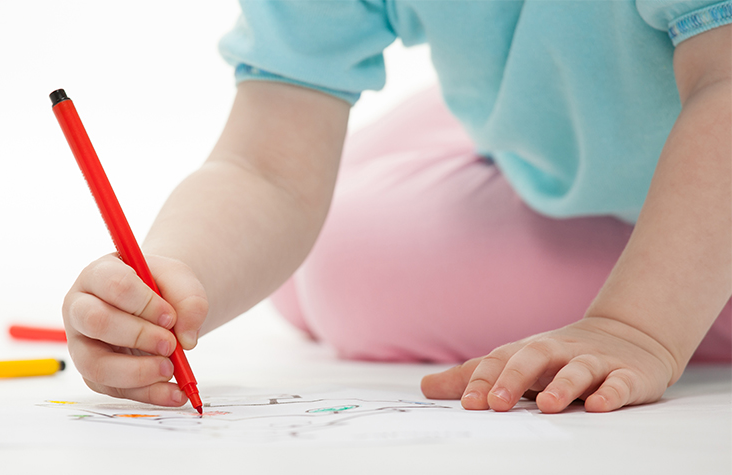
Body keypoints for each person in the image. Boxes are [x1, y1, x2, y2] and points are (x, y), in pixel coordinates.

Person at [61, 0, 731, 413]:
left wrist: (633, 330)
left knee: (343, 274)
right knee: (313, 246)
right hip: (554, 135)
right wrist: (175, 277)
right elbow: (267, 167)